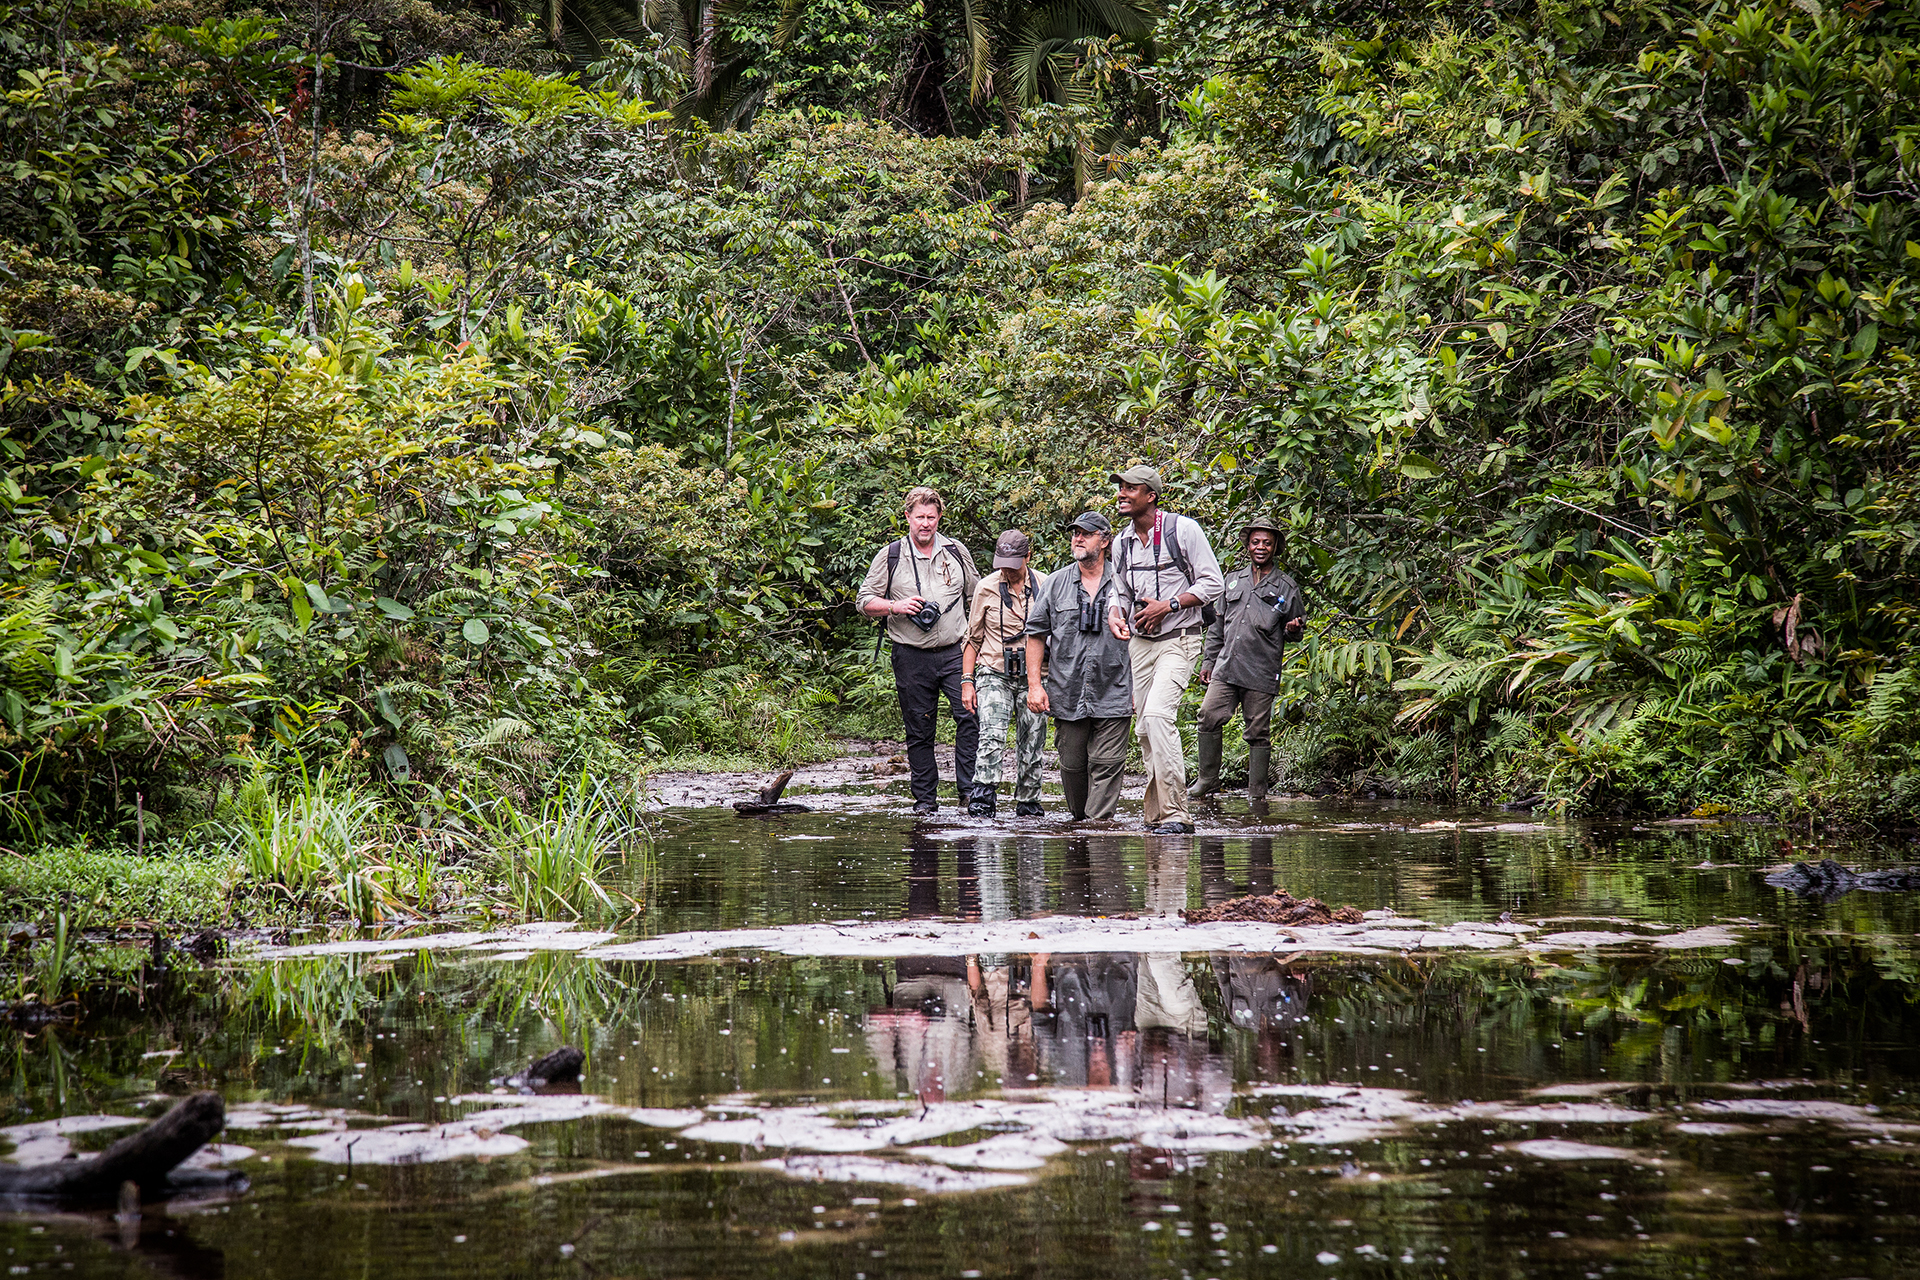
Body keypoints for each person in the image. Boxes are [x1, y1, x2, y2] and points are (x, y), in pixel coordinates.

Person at [1106, 464, 1223, 835]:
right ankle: (1156, 816)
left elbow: (1213, 583)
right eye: (1121, 488)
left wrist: (1168, 605)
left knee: (1157, 715)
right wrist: (1114, 613)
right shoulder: (1121, 542)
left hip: (1179, 638)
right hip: (1140, 644)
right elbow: (1119, 590)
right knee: (1143, 729)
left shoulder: (1182, 530)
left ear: (1151, 496)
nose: (1122, 494)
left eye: (1130, 489)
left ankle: (1176, 814)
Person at [856, 486, 981, 814]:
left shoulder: (956, 551)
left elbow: (977, 597)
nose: (925, 524)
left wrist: (980, 642)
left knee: (970, 717)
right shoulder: (891, 554)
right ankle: (925, 801)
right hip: (911, 654)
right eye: (919, 517)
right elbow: (864, 601)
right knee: (919, 728)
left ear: (939, 517)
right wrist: (896, 606)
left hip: (956, 650)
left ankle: (968, 793)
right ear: (908, 517)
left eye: (931, 517)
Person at [1023, 512, 1132, 822]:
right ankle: (1081, 828)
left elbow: (1143, 638)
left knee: (1107, 763)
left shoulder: (1125, 582)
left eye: (1086, 533)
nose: (1078, 538)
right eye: (1075, 533)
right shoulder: (1056, 583)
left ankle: (1097, 829)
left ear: (1105, 540)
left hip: (1115, 689)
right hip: (1067, 690)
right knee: (1072, 765)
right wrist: (1035, 685)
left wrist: (1142, 687)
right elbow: (1036, 634)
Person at [1190, 515, 1307, 801]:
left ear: (1275, 546)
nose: (1260, 547)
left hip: (1261, 669)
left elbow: (1296, 630)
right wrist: (1208, 661)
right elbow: (1217, 626)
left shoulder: (1286, 587)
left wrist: (1294, 629)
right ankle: (1207, 780)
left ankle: (1257, 792)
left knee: (1257, 731)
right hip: (1227, 665)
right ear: (1247, 545)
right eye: (1255, 541)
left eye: (1267, 542)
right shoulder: (1231, 581)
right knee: (1208, 716)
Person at [961, 530, 1047, 818]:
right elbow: (972, 639)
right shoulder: (986, 587)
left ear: (1028, 557)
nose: (1006, 570)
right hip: (993, 670)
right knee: (992, 735)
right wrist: (967, 682)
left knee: (1033, 738)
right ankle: (983, 799)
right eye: (1002, 563)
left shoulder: (1045, 585)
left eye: (1013, 563)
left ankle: (1029, 801)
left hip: (1035, 675)